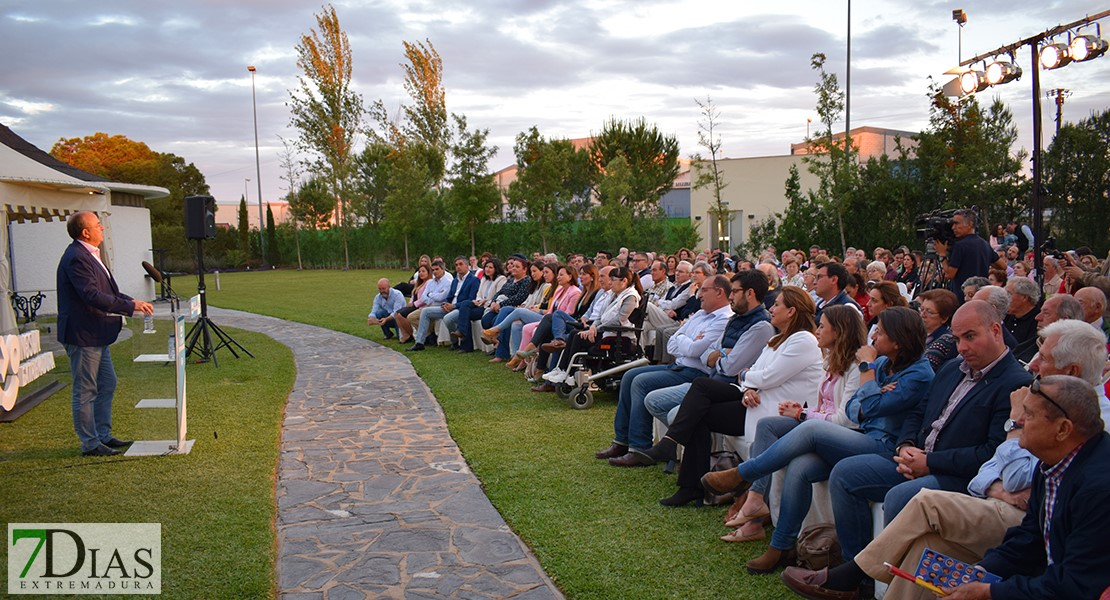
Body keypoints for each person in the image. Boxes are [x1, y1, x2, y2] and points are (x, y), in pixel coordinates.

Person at [783, 366, 1110, 600]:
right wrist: (981, 572)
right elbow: (1028, 539)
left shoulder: (1097, 487)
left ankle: (853, 574)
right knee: (927, 549)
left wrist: (989, 590)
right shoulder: (1054, 463)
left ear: (1064, 429)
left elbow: (1073, 586)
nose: (1018, 421)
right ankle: (853, 576)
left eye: (1029, 415)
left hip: (1058, 586)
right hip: (1037, 564)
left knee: (922, 500)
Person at [702, 306, 933, 572]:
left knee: (810, 430)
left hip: (884, 446)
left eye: (880, 334)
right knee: (801, 466)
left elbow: (864, 410)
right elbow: (855, 406)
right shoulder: (883, 364)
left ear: (899, 340)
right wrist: (875, 391)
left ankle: (744, 473)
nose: (873, 339)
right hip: (864, 435)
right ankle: (781, 546)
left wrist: (868, 376)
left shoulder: (916, 373)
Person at [827, 300, 1032, 562]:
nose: (962, 347)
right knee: (845, 473)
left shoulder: (1015, 383)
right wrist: (906, 446)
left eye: (970, 337)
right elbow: (918, 413)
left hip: (956, 476)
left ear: (995, 330)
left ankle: (878, 575)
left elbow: (991, 453)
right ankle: (854, 565)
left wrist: (929, 462)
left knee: (900, 496)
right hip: (916, 458)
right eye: (957, 339)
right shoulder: (951, 369)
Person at [642, 287, 824, 505]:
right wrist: (748, 386)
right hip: (755, 399)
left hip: (774, 412)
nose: (771, 309)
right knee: (701, 391)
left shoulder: (803, 340)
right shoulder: (780, 338)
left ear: (792, 311)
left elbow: (766, 377)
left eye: (777, 305)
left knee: (701, 395)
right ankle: (689, 484)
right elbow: (754, 374)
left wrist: (747, 378)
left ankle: (672, 449)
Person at [596, 273, 735, 468]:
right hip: (679, 366)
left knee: (640, 382)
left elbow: (693, 350)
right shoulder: (702, 314)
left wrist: (686, 340)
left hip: (696, 373)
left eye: (704, 289)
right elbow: (673, 341)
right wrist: (688, 340)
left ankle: (640, 448)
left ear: (720, 292)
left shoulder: (723, 319)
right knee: (629, 376)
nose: (699, 294)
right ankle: (622, 441)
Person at [57, 211, 154, 456]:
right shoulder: (77, 257)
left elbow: (108, 291)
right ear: (85, 232)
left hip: (97, 334)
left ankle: (103, 435)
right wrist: (129, 307)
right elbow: (91, 295)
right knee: (86, 390)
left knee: (107, 382)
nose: (102, 229)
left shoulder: (91, 255)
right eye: (98, 225)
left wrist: (133, 301)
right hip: (84, 334)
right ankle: (90, 444)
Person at [936, 209, 1007, 298]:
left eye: (957, 223)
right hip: (981, 295)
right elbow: (1003, 266)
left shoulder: (960, 246)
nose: (953, 227)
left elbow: (949, 274)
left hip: (963, 296)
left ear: (970, 224)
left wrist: (942, 254)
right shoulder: (984, 244)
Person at [410, 257, 470, 351]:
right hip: (442, 306)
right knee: (423, 312)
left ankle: (454, 341)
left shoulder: (448, 282)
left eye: (437, 269)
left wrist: (431, 295)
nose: (434, 272)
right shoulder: (432, 282)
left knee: (445, 317)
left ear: (443, 270)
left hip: (455, 307)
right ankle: (420, 342)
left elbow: (440, 297)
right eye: (433, 270)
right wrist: (442, 301)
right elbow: (424, 298)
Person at [449, 258, 505, 353]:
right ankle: (464, 340)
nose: (487, 269)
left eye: (490, 267)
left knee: (465, 312)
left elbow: (499, 296)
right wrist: (478, 301)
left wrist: (484, 302)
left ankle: (463, 337)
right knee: (465, 305)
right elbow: (479, 293)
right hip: (480, 305)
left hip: (489, 307)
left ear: (496, 269)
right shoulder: (484, 279)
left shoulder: (501, 279)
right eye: (486, 267)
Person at [919, 288, 960, 371]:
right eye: (921, 309)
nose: (923, 315)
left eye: (929, 312)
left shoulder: (946, 340)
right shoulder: (919, 333)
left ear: (944, 318)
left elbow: (923, 368)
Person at [1004, 277, 1041, 363]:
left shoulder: (1038, 320)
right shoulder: (1006, 316)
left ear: (1024, 297)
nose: (1005, 298)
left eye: (1009, 294)